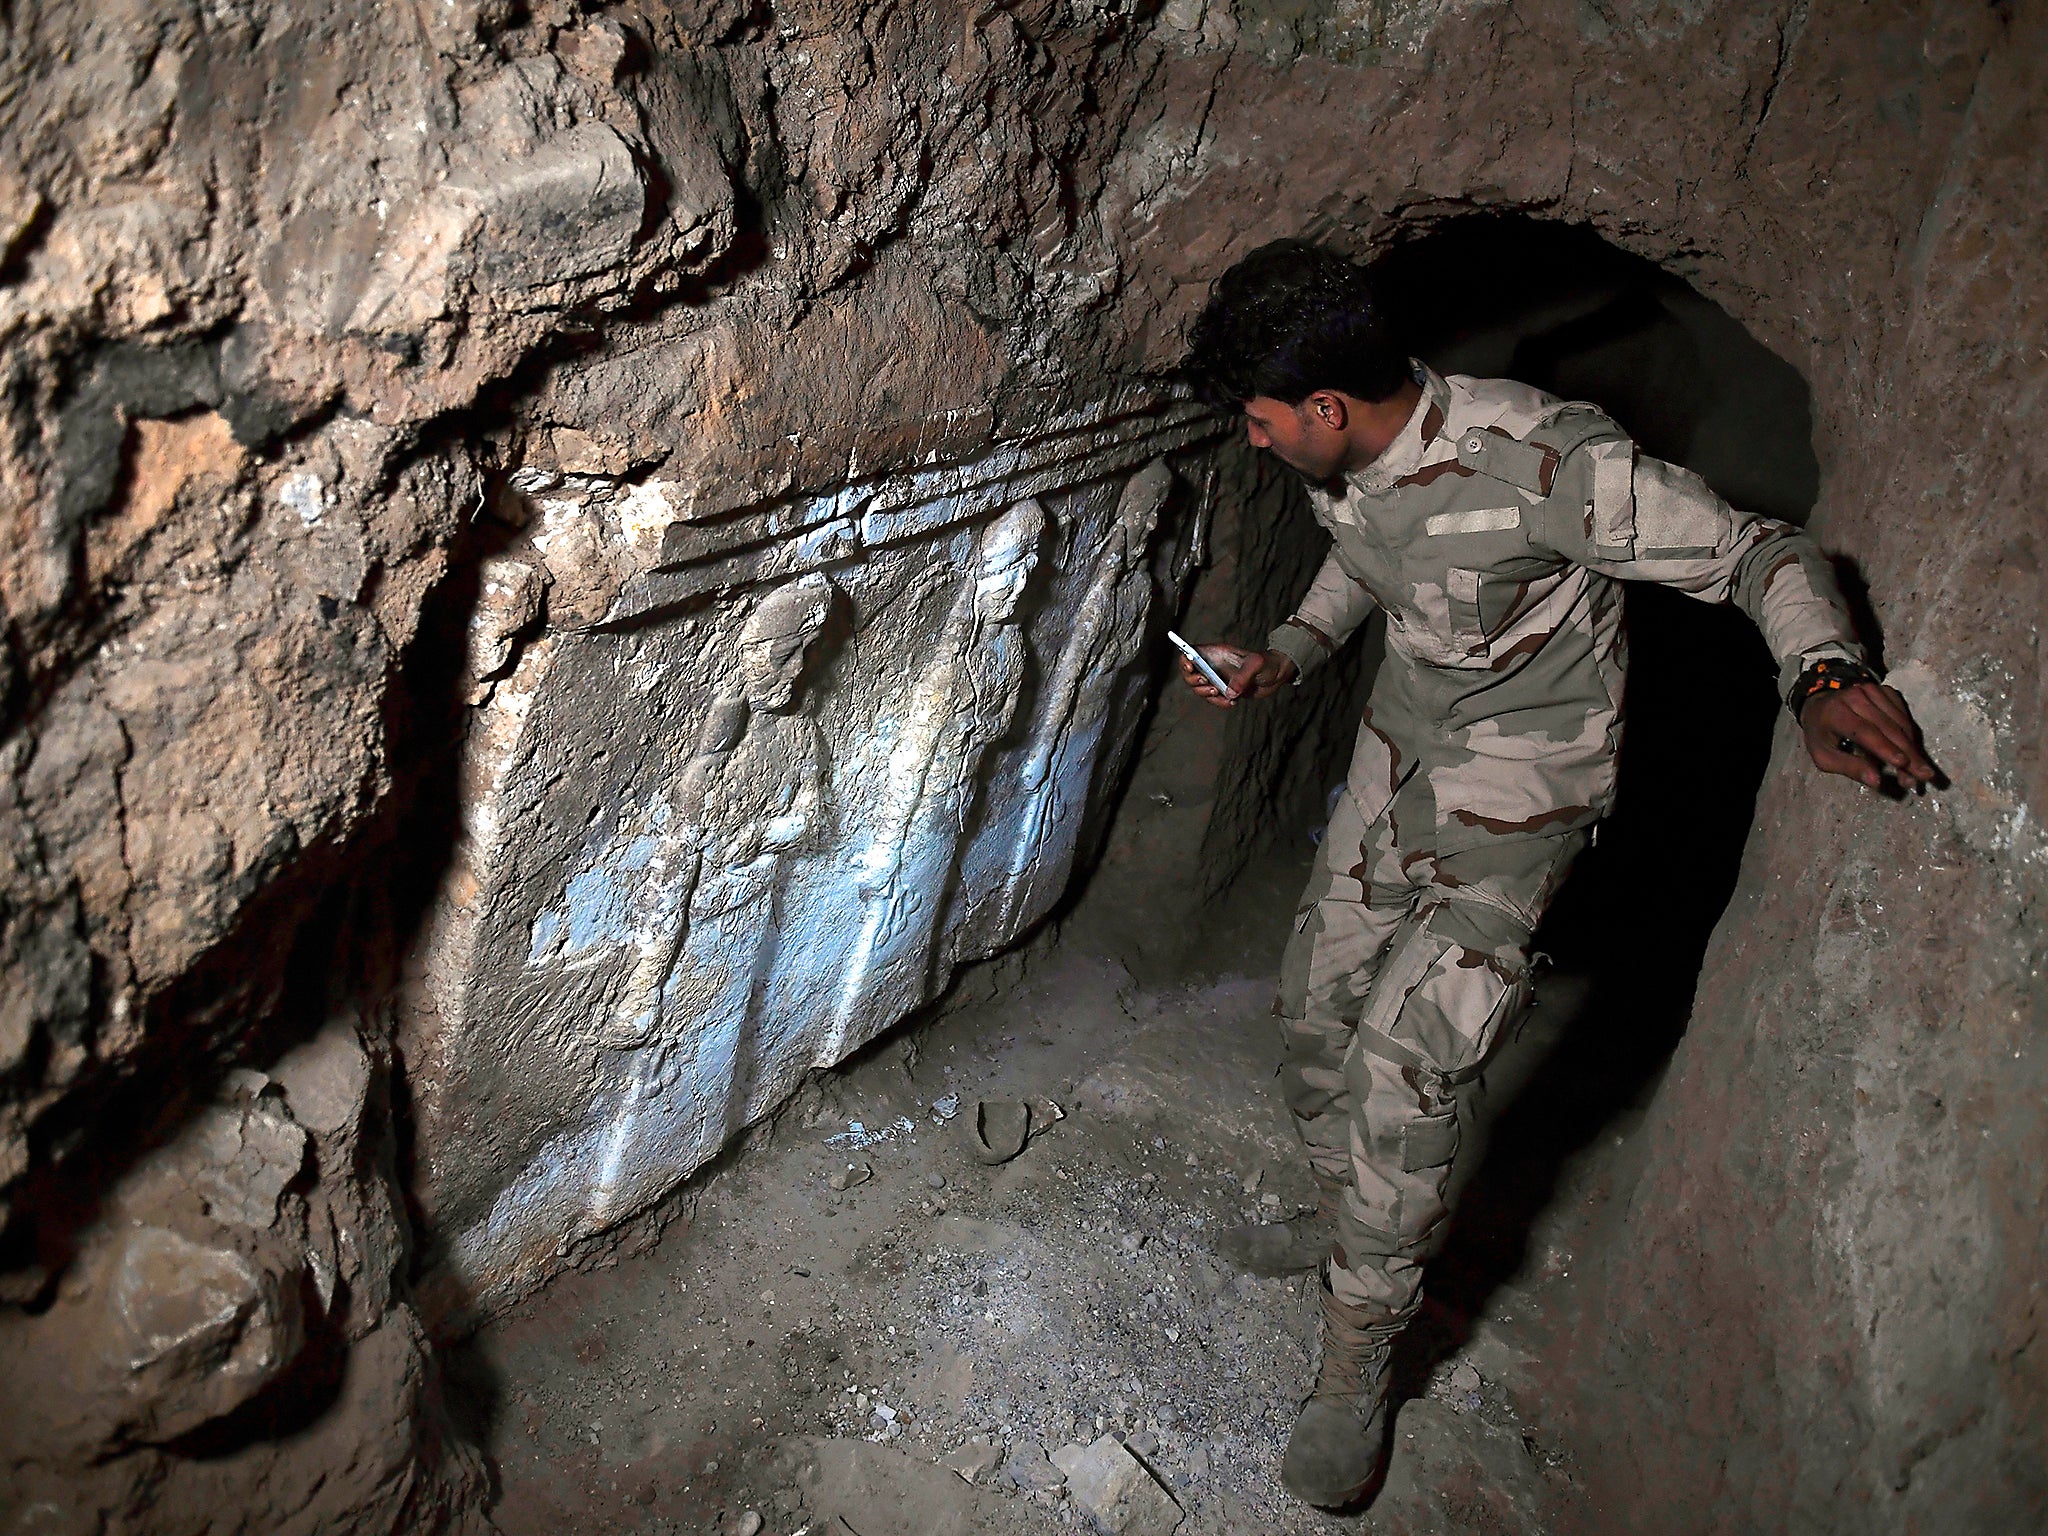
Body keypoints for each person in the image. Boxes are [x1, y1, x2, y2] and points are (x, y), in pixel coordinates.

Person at [1175, 239, 1937, 1509]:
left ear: (1323, 408)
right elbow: (1357, 560)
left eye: (1259, 426)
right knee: (1311, 1017)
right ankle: (1347, 1224)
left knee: (1406, 1082)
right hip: (1392, 774)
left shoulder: (1544, 463)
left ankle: (1359, 1357)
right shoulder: (1347, 453)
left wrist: (1820, 673)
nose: (1254, 448)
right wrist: (1289, 656)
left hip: (1521, 807)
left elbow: (1759, 554)